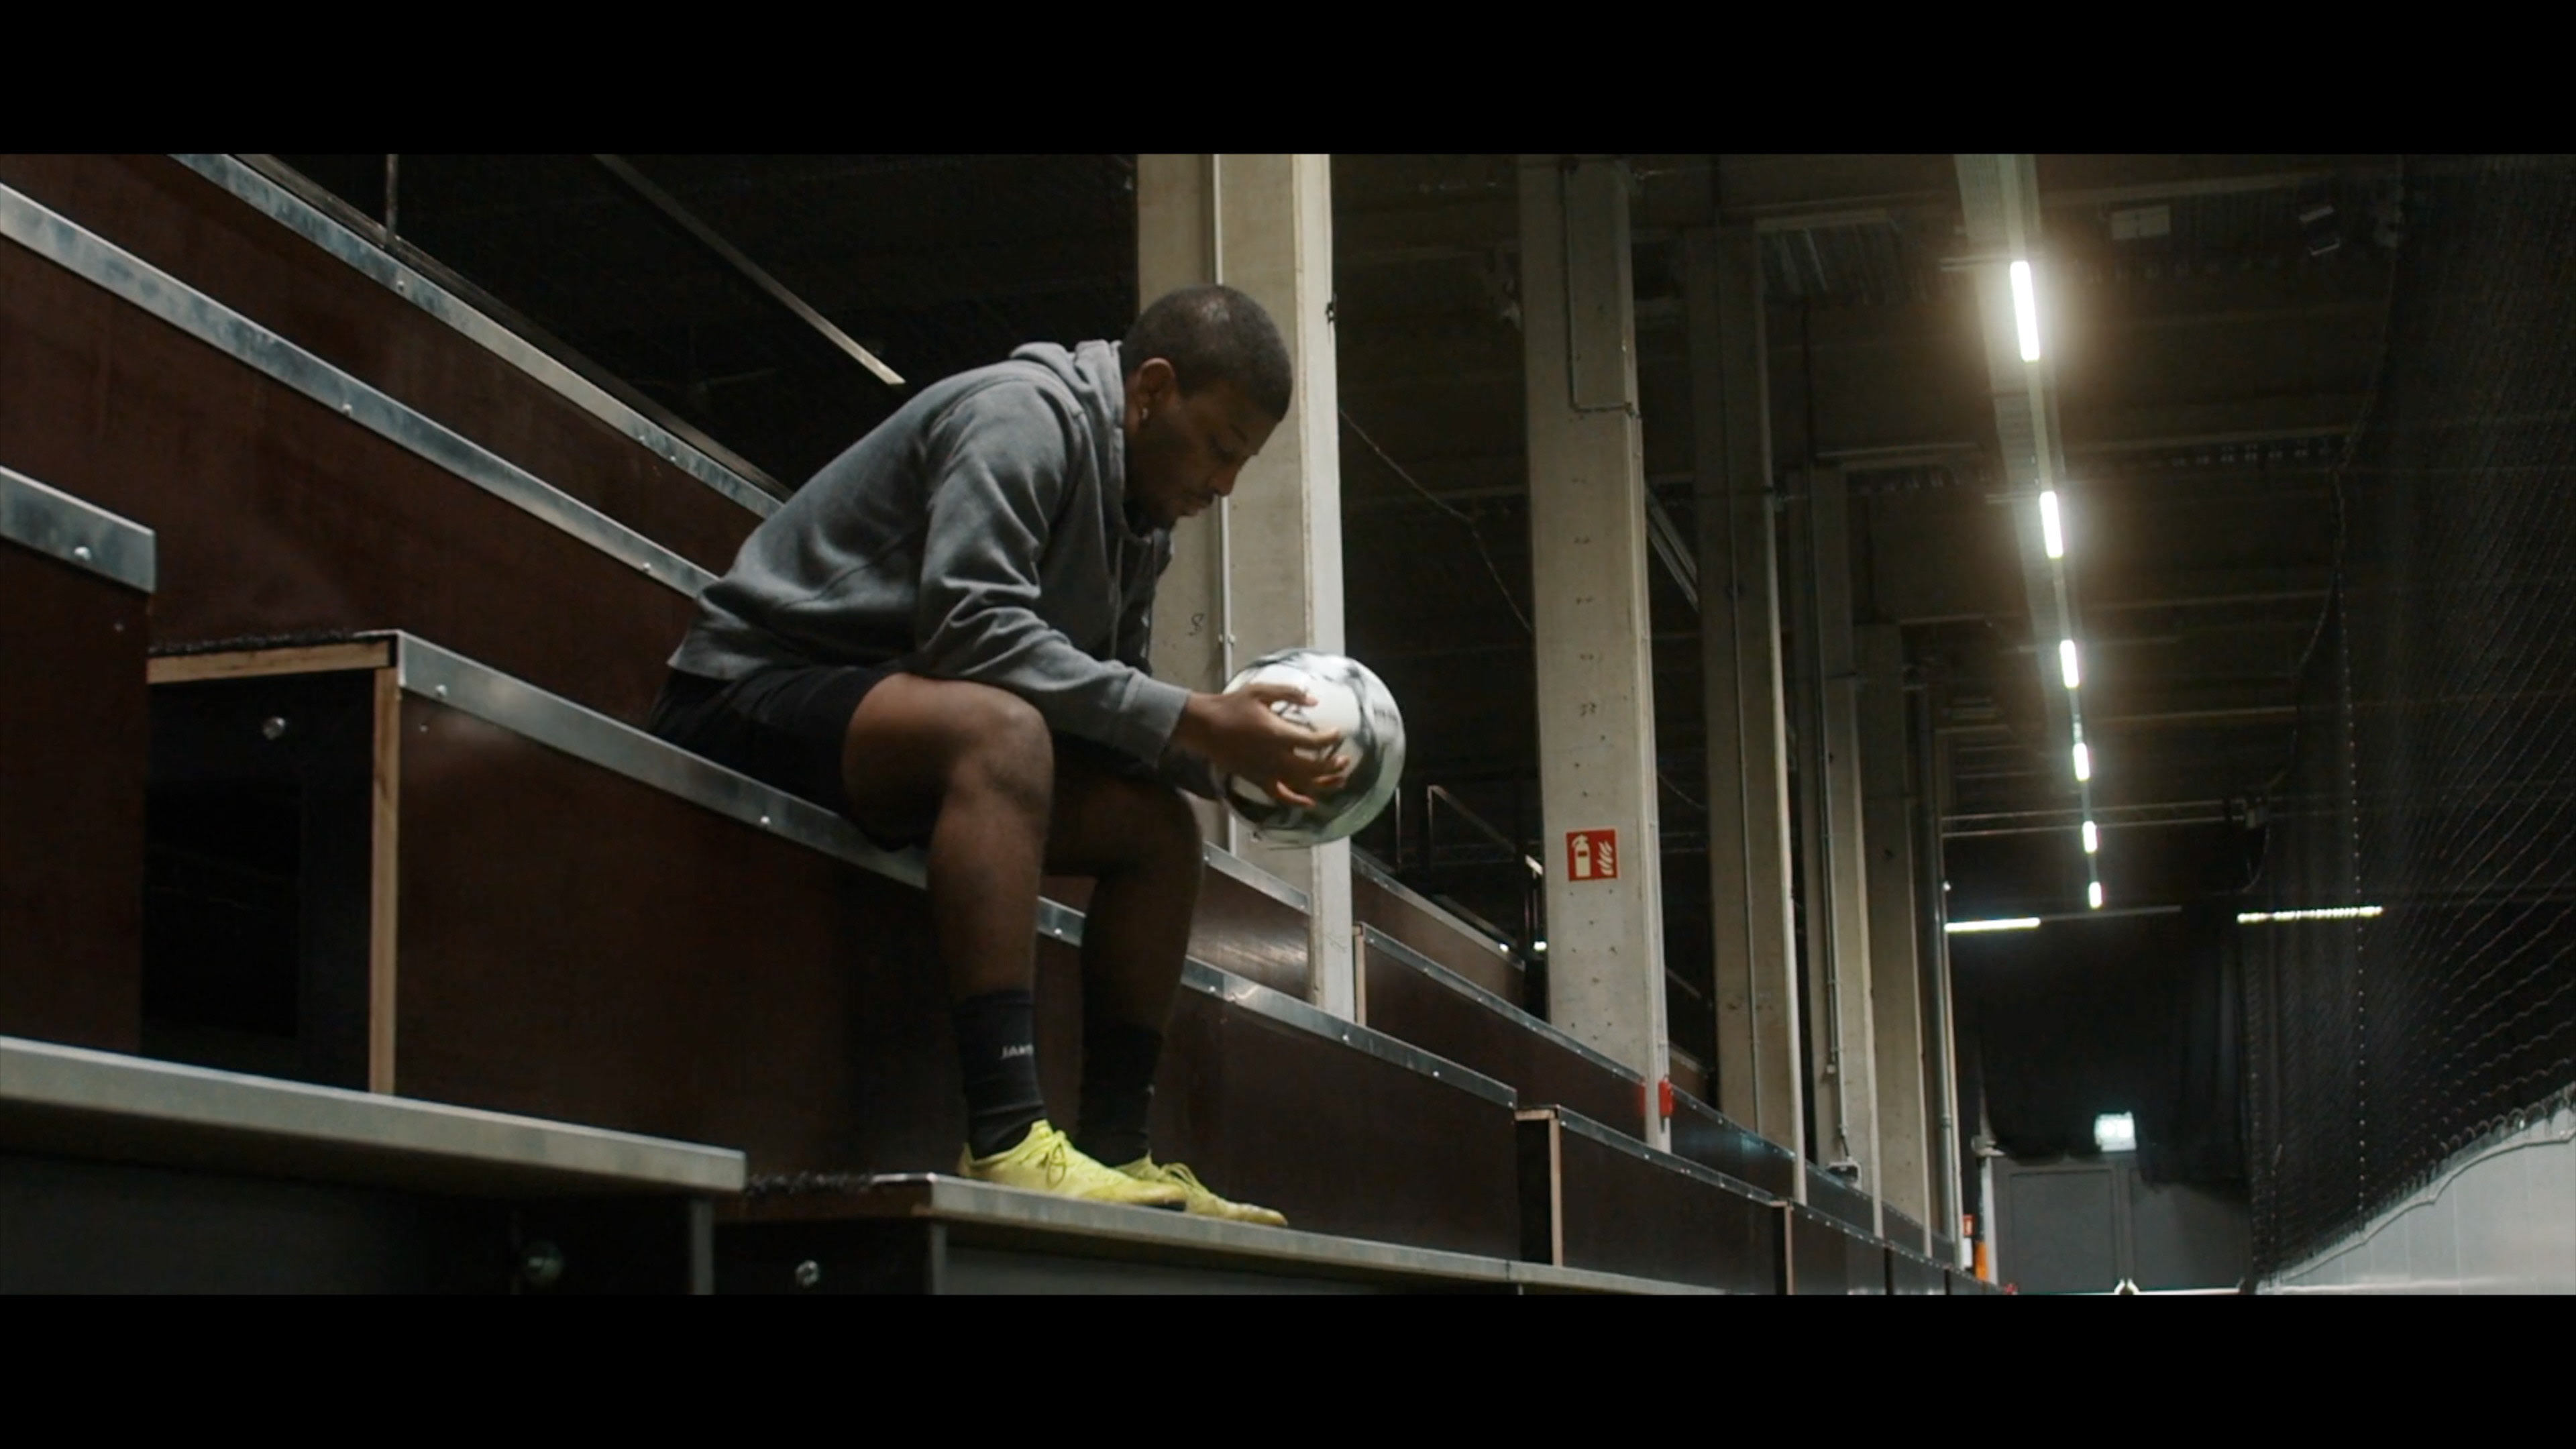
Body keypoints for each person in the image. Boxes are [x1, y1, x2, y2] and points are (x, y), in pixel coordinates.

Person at [648, 285, 1344, 1224]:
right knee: (1002, 732)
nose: (1223, 486)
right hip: (755, 691)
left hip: (900, 720)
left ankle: (1116, 1148)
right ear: (1152, 390)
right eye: (1220, 447)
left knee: (1156, 828)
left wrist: (1233, 767)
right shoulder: (1023, 418)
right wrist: (1198, 718)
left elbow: (1103, 704)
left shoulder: (1141, 517)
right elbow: (971, 631)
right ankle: (1008, 1136)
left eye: (1242, 463)